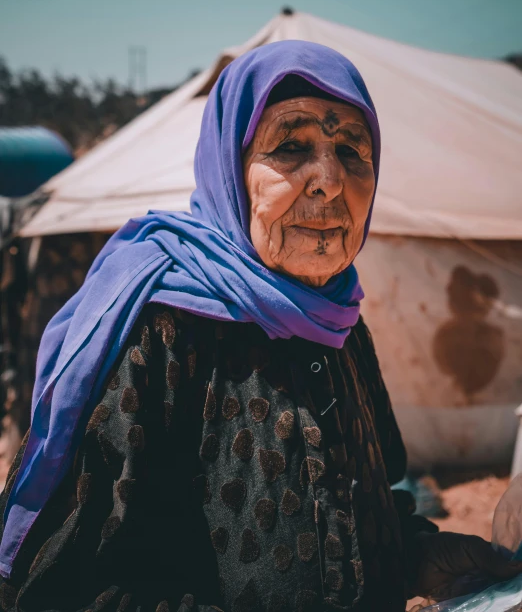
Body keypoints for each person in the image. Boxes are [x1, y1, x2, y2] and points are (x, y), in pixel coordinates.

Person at [0, 42, 518, 612]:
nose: (328, 180)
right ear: (230, 168)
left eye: (352, 151)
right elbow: (71, 587)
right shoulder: (160, 332)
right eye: (291, 146)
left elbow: (363, 517)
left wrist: (418, 559)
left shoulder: (339, 324)